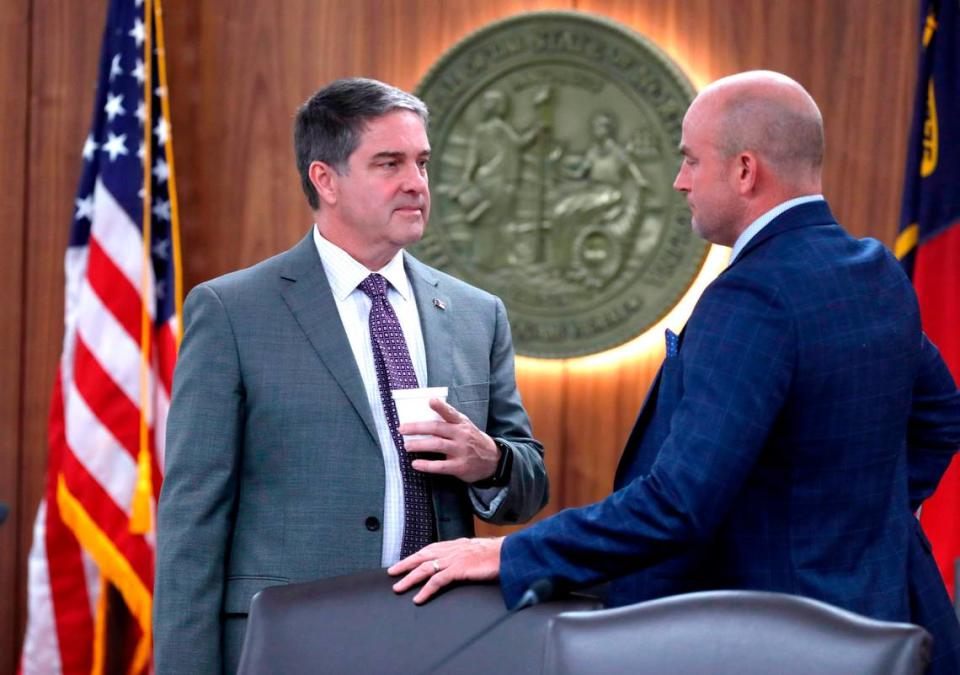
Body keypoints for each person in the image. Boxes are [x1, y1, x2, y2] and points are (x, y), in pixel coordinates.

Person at [390, 71, 960, 673]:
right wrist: (858, 515)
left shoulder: (752, 298)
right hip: (888, 616)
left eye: (691, 160)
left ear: (745, 171)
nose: (679, 180)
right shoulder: (874, 269)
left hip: (779, 640)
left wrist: (510, 554)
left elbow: (678, 504)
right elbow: (942, 414)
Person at [153, 78, 549, 674]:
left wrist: (489, 460)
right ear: (325, 180)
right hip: (291, 640)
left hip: (444, 641)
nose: (416, 183)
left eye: (421, 162)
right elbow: (193, 518)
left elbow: (528, 484)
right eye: (389, 163)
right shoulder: (233, 312)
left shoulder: (476, 314)